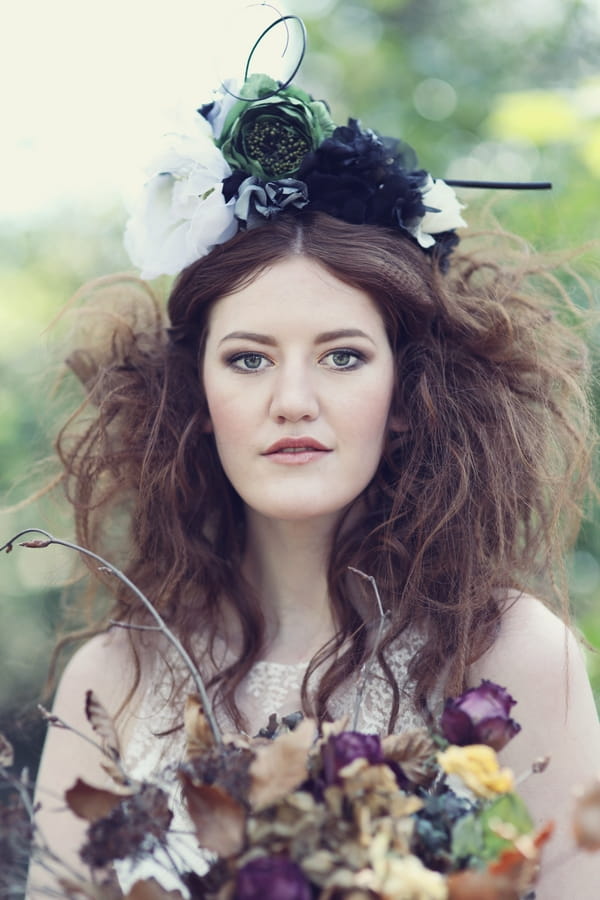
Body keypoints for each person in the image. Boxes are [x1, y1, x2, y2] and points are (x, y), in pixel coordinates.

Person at [27, 35, 600, 900]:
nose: (293, 400)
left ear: (407, 394)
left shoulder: (510, 659)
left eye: (342, 358)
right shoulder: (113, 679)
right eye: (250, 360)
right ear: (198, 396)